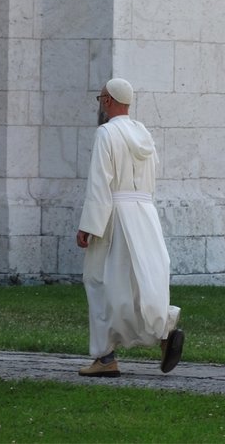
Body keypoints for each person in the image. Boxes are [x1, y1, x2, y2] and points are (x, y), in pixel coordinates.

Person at [76, 78, 183, 378]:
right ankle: (164, 329)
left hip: (115, 214)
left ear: (108, 101)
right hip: (144, 213)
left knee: (98, 280)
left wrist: (88, 226)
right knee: (142, 281)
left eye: (100, 98)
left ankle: (105, 356)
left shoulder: (106, 133)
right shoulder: (143, 133)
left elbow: (100, 182)